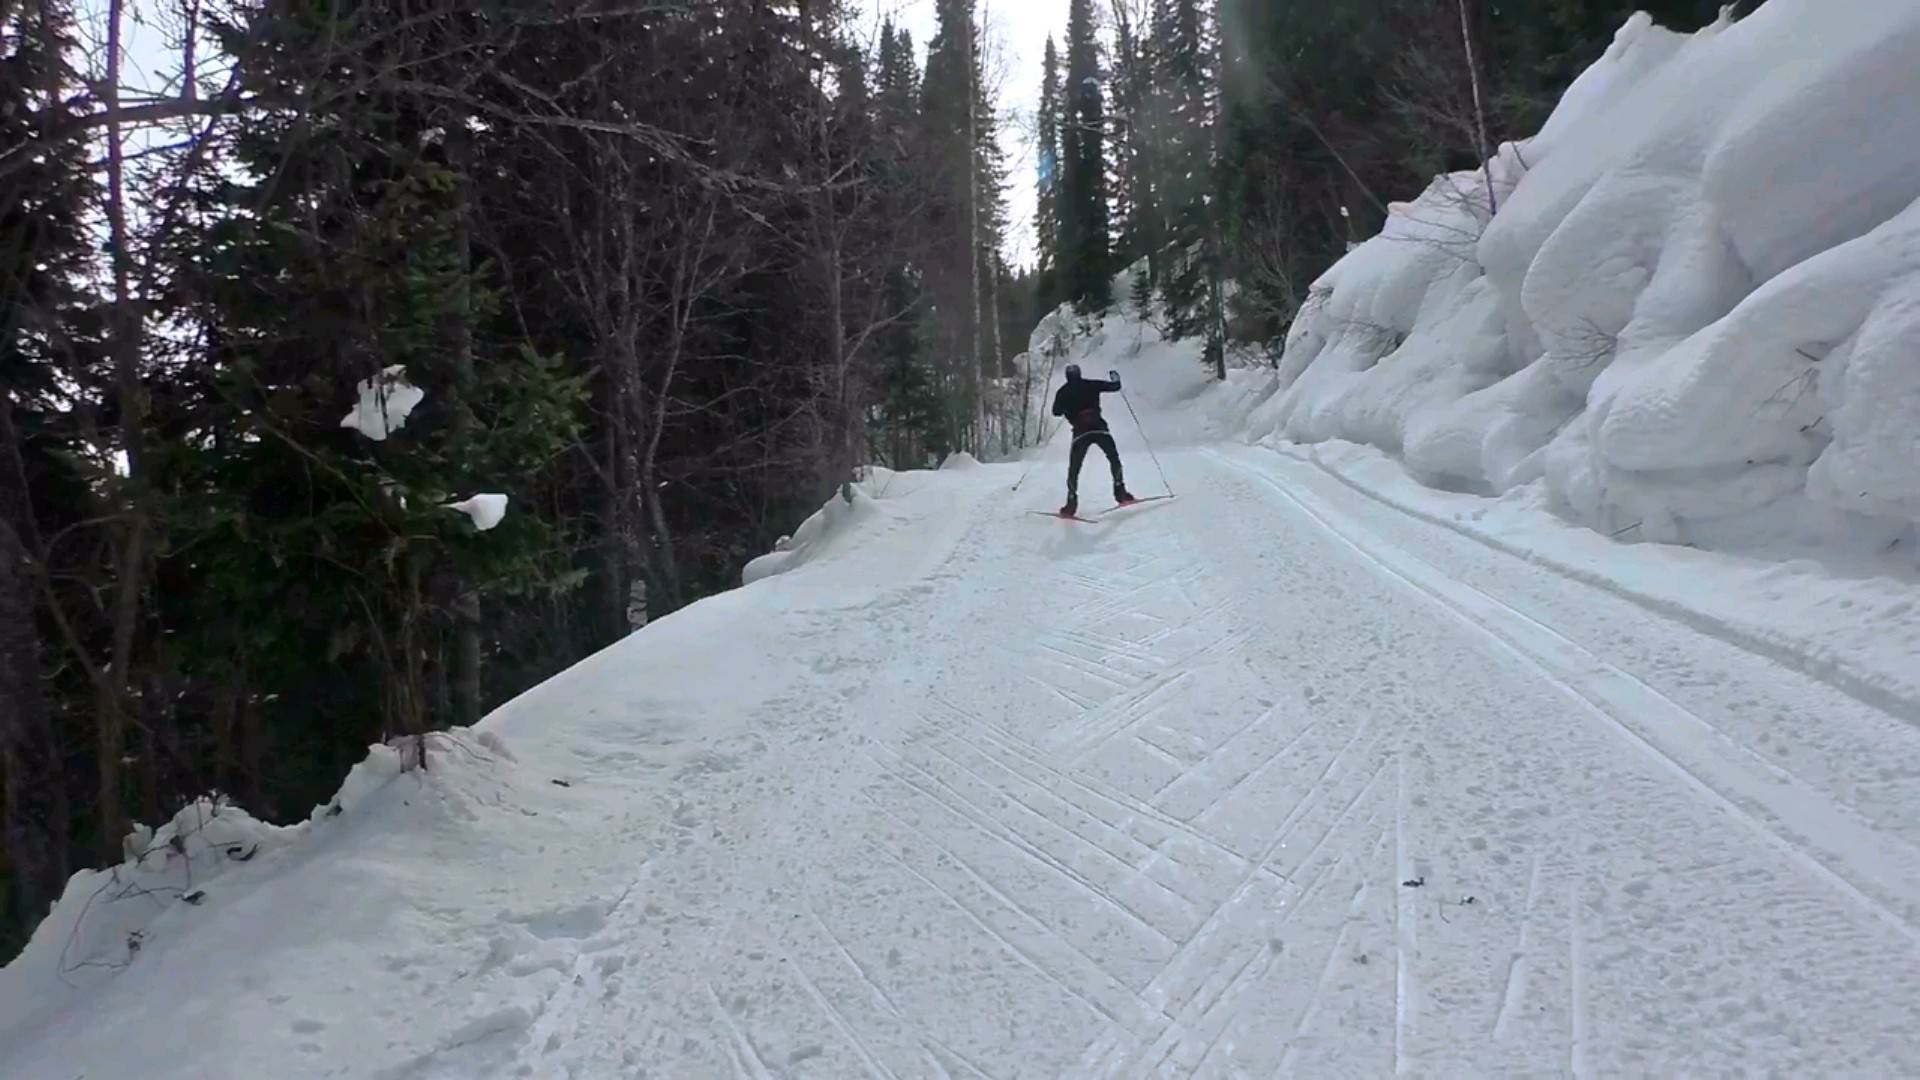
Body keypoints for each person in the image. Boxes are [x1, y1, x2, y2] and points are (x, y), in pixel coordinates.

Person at [1050, 363, 1136, 517]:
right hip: (1099, 427)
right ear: (1080, 374)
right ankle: (1120, 492)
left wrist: (1066, 407)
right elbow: (1115, 386)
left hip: (1080, 431)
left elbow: (1056, 412)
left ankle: (1071, 503)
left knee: (1074, 468)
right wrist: (1115, 377)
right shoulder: (1090, 384)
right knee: (1114, 459)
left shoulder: (1063, 391)